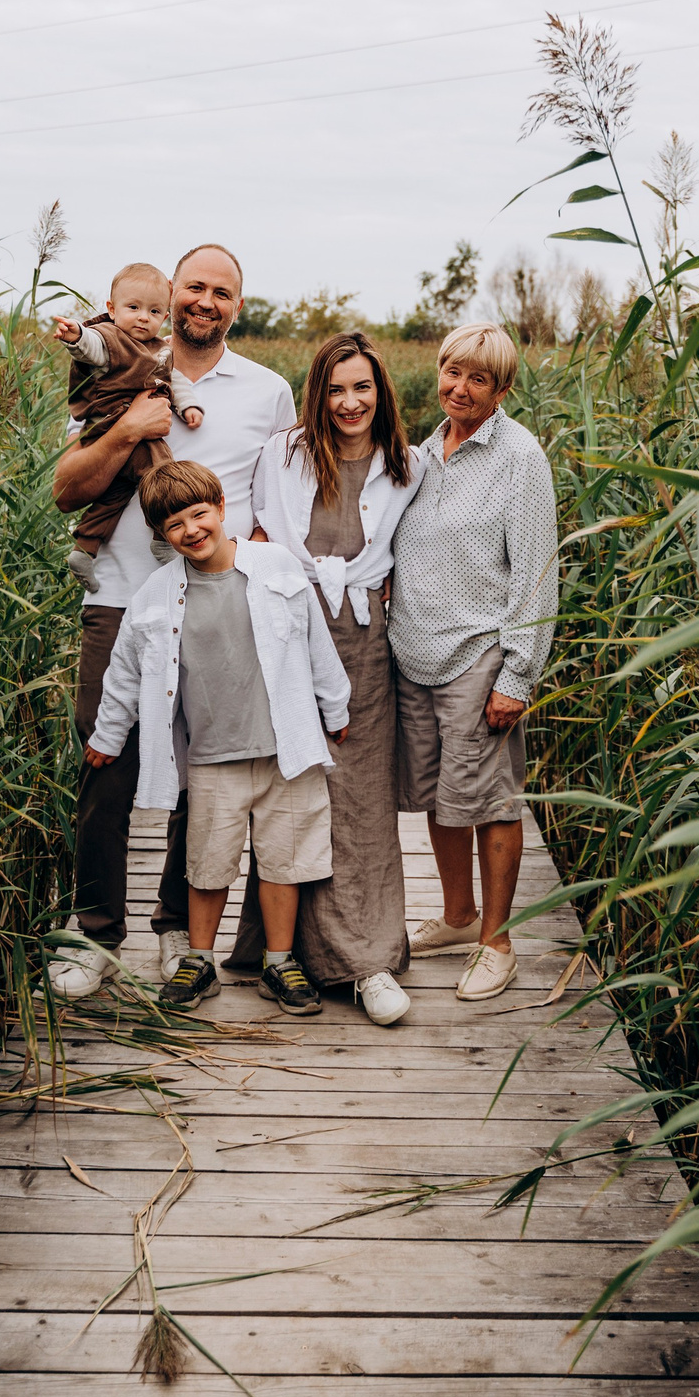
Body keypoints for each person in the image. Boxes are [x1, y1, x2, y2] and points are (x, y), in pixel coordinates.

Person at [50, 245, 293, 998]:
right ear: (171, 293)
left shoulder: (266, 391)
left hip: (217, 605)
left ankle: (175, 930)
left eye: (223, 292)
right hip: (119, 598)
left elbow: (279, 507)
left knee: (205, 776)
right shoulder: (116, 366)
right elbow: (66, 488)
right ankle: (94, 931)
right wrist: (128, 429)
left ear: (237, 306)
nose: (205, 301)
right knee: (104, 762)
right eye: (195, 286)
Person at [85, 461, 352, 1013]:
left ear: (221, 507)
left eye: (198, 514)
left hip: (287, 752)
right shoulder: (157, 597)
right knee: (207, 865)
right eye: (174, 524)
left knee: (285, 861)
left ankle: (279, 962)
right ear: (161, 535)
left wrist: (335, 706)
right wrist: (108, 736)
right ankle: (198, 961)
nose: (190, 530)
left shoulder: (274, 566)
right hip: (211, 756)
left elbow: (315, 643)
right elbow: (125, 673)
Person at [247, 331, 427, 1026]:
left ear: (381, 391)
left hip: (362, 638)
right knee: (296, 788)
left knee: (359, 797)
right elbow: (259, 543)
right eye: (336, 387)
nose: (350, 402)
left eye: (363, 387)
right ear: (317, 391)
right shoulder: (282, 456)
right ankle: (290, 952)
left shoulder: (405, 465)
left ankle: (368, 959)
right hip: (291, 632)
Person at [389, 323, 559, 1002]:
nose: (459, 387)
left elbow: (537, 574)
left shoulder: (519, 458)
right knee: (437, 792)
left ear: (502, 388)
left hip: (479, 657)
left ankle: (497, 941)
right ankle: (458, 916)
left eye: (477, 378)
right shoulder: (426, 451)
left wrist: (518, 674)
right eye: (452, 371)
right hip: (415, 653)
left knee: (491, 800)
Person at [51, 261, 204, 588]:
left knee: (116, 494)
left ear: (165, 317)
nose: (142, 317)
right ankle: (163, 535)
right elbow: (91, 348)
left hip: (122, 445)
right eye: (133, 307)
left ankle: (85, 548)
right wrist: (75, 335)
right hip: (110, 424)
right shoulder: (111, 337)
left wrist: (188, 405)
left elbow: (174, 380)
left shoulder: (161, 350)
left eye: (153, 311)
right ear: (111, 308)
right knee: (162, 472)